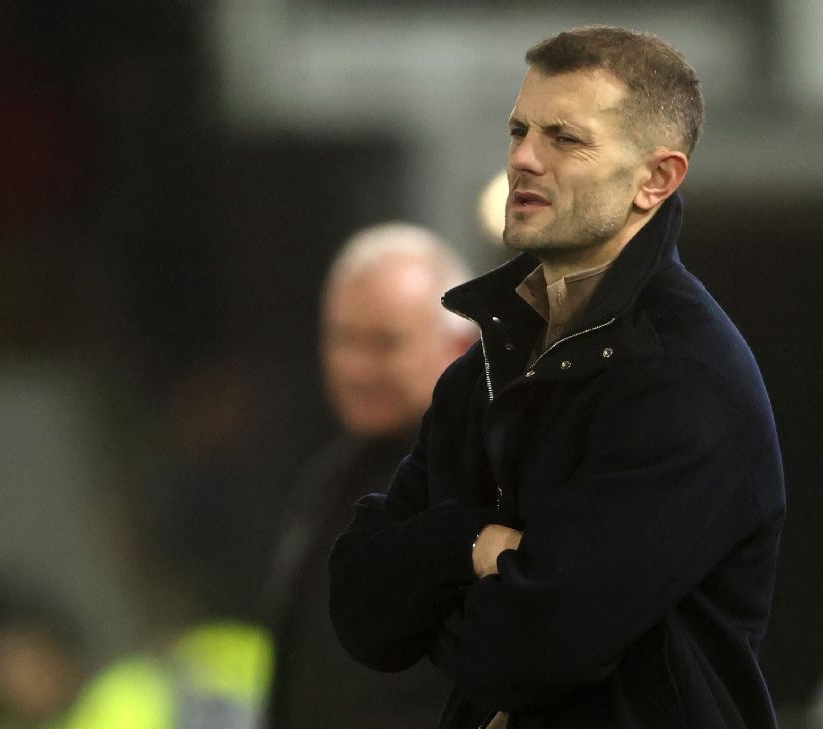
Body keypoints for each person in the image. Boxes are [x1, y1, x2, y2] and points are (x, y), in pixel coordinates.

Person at [328, 25, 785, 729]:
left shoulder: (686, 383)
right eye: (518, 129)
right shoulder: (485, 367)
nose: (522, 159)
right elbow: (362, 610)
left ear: (655, 179)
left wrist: (446, 585)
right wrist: (473, 543)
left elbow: (521, 649)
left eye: (565, 138)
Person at [263, 224, 478, 729]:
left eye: (385, 343)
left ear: (461, 345)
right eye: (343, 338)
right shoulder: (333, 477)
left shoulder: (492, 481)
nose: (356, 368)